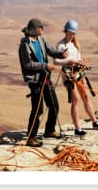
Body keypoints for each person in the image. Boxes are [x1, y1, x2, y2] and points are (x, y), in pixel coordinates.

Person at [18, 18, 68, 147]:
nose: (42, 29)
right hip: (35, 81)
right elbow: (28, 64)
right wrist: (45, 66)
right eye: (41, 27)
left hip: (45, 78)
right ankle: (31, 137)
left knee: (54, 105)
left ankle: (49, 130)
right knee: (37, 110)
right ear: (35, 28)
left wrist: (61, 54)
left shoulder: (40, 39)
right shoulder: (25, 44)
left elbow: (50, 50)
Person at [54, 19, 98, 136]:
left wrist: (80, 62)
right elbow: (56, 61)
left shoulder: (75, 44)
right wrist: (69, 60)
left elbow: (78, 56)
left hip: (79, 73)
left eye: (73, 33)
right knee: (75, 100)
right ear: (65, 31)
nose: (71, 35)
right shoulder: (61, 45)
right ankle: (77, 129)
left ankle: (95, 122)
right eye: (70, 33)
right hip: (68, 75)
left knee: (86, 96)